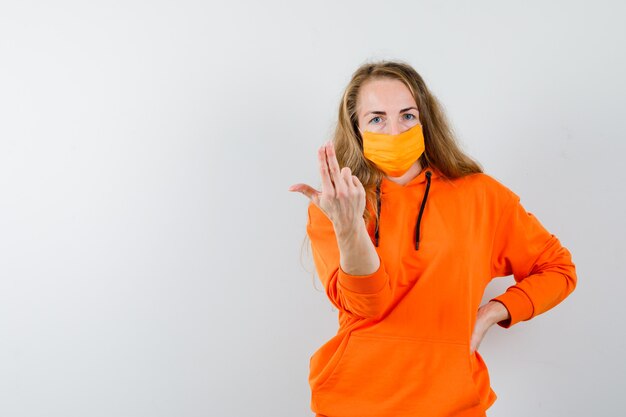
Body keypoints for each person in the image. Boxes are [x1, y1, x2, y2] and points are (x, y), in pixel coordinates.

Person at [288, 60, 577, 417]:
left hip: (454, 402)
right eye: (376, 119)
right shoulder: (335, 207)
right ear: (357, 129)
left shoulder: (481, 196)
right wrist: (348, 229)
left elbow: (558, 269)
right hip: (354, 401)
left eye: (407, 115)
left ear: (426, 119)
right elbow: (369, 306)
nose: (394, 130)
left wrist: (491, 313)